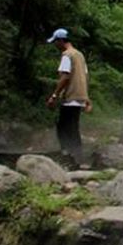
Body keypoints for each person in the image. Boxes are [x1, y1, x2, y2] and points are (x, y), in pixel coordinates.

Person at [46, 28, 90, 166]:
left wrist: (54, 95)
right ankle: (78, 158)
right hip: (81, 96)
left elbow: (65, 76)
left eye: (55, 42)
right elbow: (86, 76)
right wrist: (87, 98)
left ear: (61, 40)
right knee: (73, 128)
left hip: (71, 97)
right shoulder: (80, 55)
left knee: (64, 128)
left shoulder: (67, 55)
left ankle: (69, 157)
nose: (55, 45)